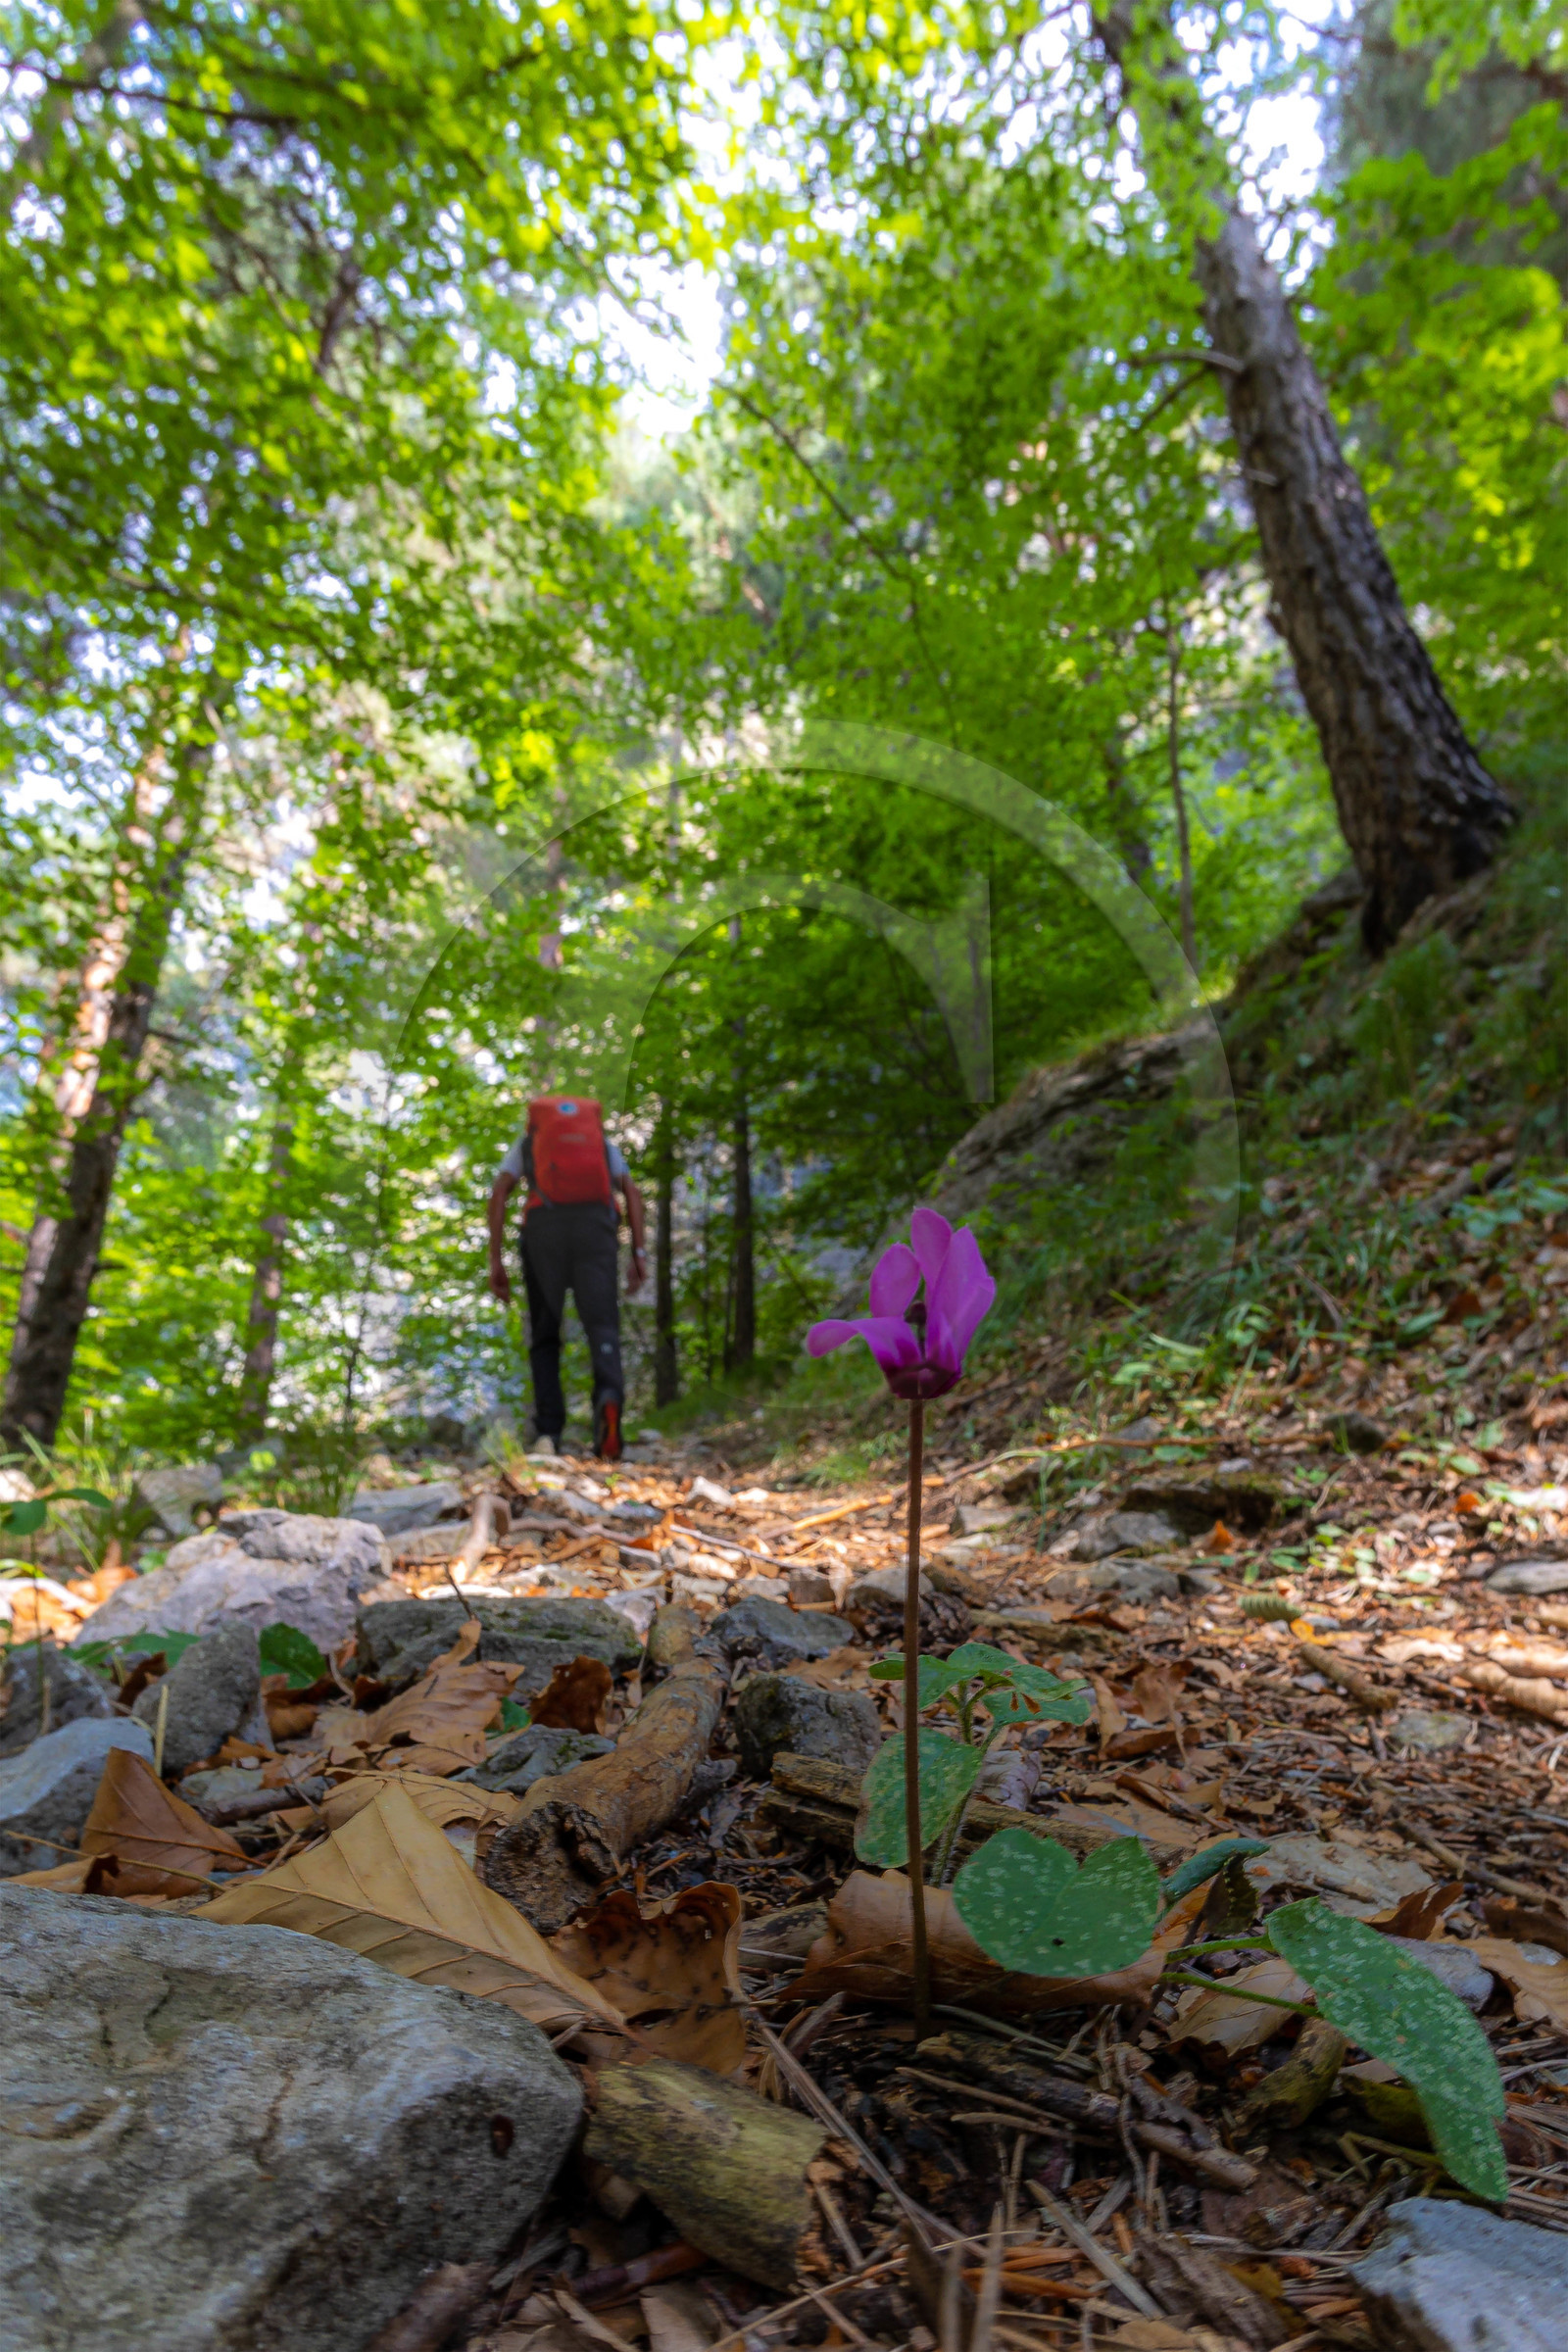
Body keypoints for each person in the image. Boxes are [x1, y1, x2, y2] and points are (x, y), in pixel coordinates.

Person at [486, 1095, 647, 1460]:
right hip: (596, 1229)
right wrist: (638, 1253)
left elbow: (499, 1192)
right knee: (602, 1326)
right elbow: (632, 1192)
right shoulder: (602, 1146)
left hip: (545, 1232)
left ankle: (549, 1432)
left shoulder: (528, 1145)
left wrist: (496, 1261)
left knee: (545, 1333)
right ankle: (608, 1400)